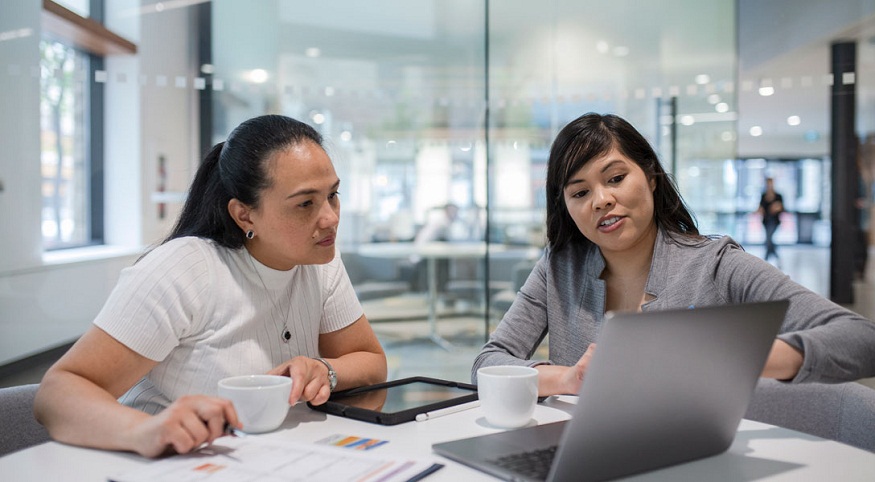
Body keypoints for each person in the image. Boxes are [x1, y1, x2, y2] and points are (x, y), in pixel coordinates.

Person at [34, 115, 387, 458]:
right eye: (306, 203)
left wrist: (324, 369)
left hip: (273, 459)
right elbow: (57, 392)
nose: (330, 218)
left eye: (333, 195)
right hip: (171, 463)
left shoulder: (319, 260)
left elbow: (371, 363)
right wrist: (143, 429)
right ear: (244, 215)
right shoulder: (184, 269)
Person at [472, 112, 875, 398]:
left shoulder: (715, 264)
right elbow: (487, 364)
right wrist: (568, 379)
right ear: (566, 206)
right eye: (580, 192)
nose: (602, 200)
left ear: (649, 176)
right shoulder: (558, 271)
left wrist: (730, 356)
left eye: (615, 178)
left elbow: (859, 340)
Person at [756, 176, 784, 261]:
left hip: (775, 221)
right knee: (769, 240)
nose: (769, 185)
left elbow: (783, 208)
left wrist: (777, 207)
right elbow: (760, 208)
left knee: (768, 240)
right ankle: (776, 257)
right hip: (766, 221)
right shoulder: (763, 195)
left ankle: (766, 259)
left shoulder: (778, 196)